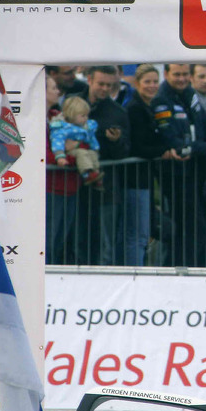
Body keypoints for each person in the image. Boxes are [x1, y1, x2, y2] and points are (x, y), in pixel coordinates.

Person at [152, 63, 206, 266]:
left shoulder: (190, 93)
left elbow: (205, 122)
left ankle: (197, 267)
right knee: (187, 227)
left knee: (200, 227)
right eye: (177, 74)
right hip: (176, 174)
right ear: (167, 73)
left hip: (198, 172)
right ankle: (183, 269)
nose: (181, 78)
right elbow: (172, 139)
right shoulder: (161, 99)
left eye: (185, 74)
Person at [69, 65, 131, 265]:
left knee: (106, 243)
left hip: (106, 187)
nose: (105, 89)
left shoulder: (118, 112)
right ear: (89, 79)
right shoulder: (72, 103)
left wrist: (117, 141)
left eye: (110, 85)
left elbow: (125, 151)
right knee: (77, 239)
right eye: (101, 84)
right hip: (74, 185)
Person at [124, 64, 184, 266]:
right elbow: (138, 146)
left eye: (154, 81)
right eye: (147, 81)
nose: (152, 86)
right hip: (135, 179)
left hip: (146, 178)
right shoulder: (135, 109)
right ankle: (135, 275)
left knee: (143, 232)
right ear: (137, 83)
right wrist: (163, 151)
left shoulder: (149, 106)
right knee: (138, 234)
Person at [45, 75, 80, 264]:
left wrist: (69, 153)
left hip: (68, 188)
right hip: (50, 189)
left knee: (59, 242)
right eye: (53, 88)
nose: (58, 92)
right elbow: (42, 156)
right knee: (48, 242)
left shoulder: (56, 117)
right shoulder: (34, 122)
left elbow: (82, 145)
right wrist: (67, 151)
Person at [50, 96, 104, 189]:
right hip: (70, 151)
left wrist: (95, 149)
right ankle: (87, 174)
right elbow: (57, 141)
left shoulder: (87, 127)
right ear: (71, 115)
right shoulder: (62, 128)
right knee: (81, 153)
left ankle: (96, 174)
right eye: (83, 116)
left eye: (87, 115)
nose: (86, 118)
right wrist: (60, 156)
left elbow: (92, 139)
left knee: (91, 154)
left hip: (84, 149)